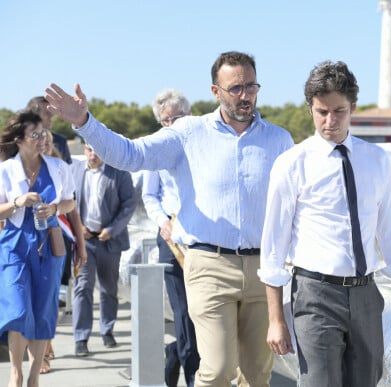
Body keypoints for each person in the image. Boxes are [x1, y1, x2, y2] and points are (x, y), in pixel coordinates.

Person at [45, 50, 294, 387]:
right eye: (235, 88)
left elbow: (292, 207)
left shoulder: (279, 140)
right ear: (215, 92)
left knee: (256, 375)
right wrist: (85, 122)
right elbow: (129, 155)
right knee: (217, 369)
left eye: (251, 86)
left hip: (264, 270)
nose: (245, 95)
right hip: (209, 265)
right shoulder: (188, 133)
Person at [258, 61, 391, 387]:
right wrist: (276, 320)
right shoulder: (292, 164)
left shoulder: (376, 160)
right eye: (321, 112)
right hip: (316, 296)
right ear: (310, 109)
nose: (330, 121)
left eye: (339, 111)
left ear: (353, 107)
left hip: (366, 295)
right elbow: (273, 249)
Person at [0, 111, 75, 387]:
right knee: (18, 308)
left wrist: (55, 208)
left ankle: (33, 376)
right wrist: (18, 202)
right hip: (15, 245)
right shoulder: (5, 170)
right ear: (19, 140)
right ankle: (15, 373)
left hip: (49, 244)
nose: (42, 138)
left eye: (44, 132)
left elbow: (70, 203)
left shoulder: (58, 167)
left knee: (44, 309)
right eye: (35, 134)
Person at [142, 88, 200, 387]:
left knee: (204, 312)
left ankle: (174, 351)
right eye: (166, 120)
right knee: (184, 311)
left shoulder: (205, 142)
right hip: (170, 238)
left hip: (202, 238)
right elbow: (149, 195)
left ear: (189, 115)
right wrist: (163, 222)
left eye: (177, 117)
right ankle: (192, 376)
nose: (172, 124)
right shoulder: (156, 147)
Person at [69, 142, 136, 357]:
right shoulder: (75, 170)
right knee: (83, 287)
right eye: (89, 149)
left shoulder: (119, 173)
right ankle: (81, 337)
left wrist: (112, 229)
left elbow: (129, 204)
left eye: (97, 149)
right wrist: (77, 227)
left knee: (108, 289)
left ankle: (107, 330)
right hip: (84, 240)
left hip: (109, 240)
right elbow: (66, 201)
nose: (93, 154)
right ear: (83, 149)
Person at [28, 96, 75, 366]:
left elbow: (70, 198)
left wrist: (77, 238)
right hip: (20, 234)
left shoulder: (59, 143)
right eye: (48, 113)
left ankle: (45, 345)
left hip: (54, 230)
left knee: (50, 293)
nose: (53, 117)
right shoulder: (13, 143)